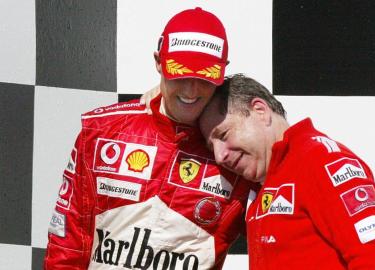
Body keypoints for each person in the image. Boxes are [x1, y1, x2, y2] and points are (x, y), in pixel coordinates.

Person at [44, 8, 254, 269]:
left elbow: (279, 236)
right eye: (181, 73)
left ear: (222, 74)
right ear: (158, 62)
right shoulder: (102, 130)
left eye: (204, 77)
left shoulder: (234, 152)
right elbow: (68, 241)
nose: (191, 89)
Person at [199, 74, 375, 269]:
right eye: (212, 147)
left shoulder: (323, 160)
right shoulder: (261, 180)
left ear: (260, 110)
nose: (219, 156)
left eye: (223, 134)